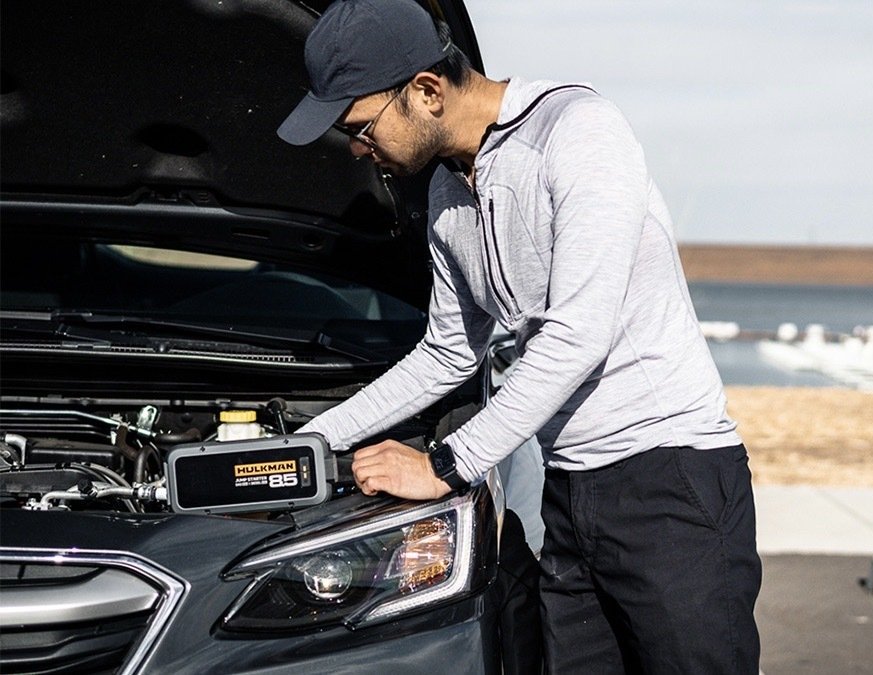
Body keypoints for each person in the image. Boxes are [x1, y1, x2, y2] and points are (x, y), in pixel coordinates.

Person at [277, 0, 761, 671]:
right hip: (569, 491)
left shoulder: (579, 132)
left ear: (426, 90)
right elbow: (448, 350)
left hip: (669, 484)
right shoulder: (448, 198)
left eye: (360, 126)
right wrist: (307, 441)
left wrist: (444, 464)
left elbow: (579, 331)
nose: (357, 148)